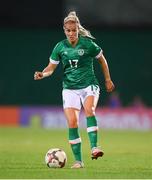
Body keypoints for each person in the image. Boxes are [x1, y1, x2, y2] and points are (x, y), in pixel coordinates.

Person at [34, 11, 115, 168]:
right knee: (72, 122)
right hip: (70, 88)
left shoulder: (88, 45)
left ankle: (95, 147)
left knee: (90, 110)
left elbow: (102, 60)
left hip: (88, 85)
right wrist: (43, 74)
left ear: (78, 29)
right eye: (68, 31)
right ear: (64, 30)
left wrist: (107, 79)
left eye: (74, 30)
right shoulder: (60, 47)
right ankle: (78, 161)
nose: (71, 33)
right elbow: (51, 68)